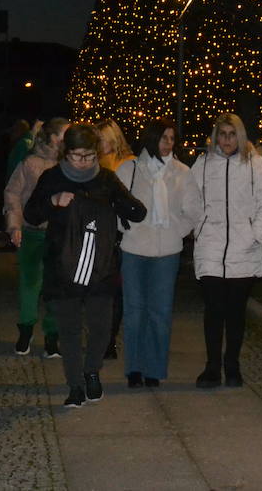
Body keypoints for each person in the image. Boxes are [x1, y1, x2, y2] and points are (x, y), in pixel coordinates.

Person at [24, 123, 146, 408]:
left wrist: (122, 206)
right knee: (69, 330)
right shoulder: (52, 178)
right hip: (63, 267)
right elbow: (31, 213)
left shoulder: (105, 179)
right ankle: (75, 385)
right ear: (66, 153)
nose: (85, 162)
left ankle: (92, 371)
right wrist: (53, 201)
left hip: (100, 267)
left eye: (90, 156)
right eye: (78, 156)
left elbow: (136, 210)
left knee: (101, 328)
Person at [188, 112, 262, 389]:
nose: (226, 140)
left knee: (235, 313)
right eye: (222, 134)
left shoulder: (255, 165)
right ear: (215, 136)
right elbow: (190, 200)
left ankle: (232, 366)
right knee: (214, 311)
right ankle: (212, 367)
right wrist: (198, 229)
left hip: (244, 249)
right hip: (211, 248)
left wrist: (255, 234)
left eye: (231, 134)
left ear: (240, 135)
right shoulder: (203, 164)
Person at [115, 119, 200, 389]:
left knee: (160, 312)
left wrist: (177, 230)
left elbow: (194, 210)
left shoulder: (182, 172)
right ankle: (134, 369)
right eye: (164, 138)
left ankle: (154, 368)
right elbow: (113, 204)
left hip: (167, 251)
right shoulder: (128, 169)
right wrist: (124, 227)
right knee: (134, 311)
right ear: (151, 139)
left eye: (172, 139)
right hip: (134, 248)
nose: (168, 144)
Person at [3, 117, 68, 358]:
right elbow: (13, 194)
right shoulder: (30, 163)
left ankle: (53, 336)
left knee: (56, 286)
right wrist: (15, 226)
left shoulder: (69, 165)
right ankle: (26, 330)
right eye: (64, 135)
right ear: (52, 137)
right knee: (30, 284)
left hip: (59, 235)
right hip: (33, 232)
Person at [94, 118, 136, 359]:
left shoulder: (126, 165)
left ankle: (109, 339)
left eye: (102, 140)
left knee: (115, 292)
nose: (100, 145)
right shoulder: (98, 163)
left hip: (118, 234)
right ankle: (103, 337)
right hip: (100, 232)